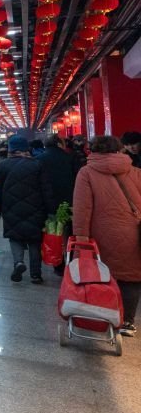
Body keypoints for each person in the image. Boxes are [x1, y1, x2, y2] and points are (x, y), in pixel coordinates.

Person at [72, 135, 141, 336]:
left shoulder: (86, 173)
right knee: (131, 276)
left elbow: (82, 209)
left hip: (101, 233)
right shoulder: (135, 171)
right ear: (119, 150)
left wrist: (81, 238)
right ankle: (127, 322)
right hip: (134, 232)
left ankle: (104, 315)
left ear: (93, 150)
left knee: (101, 275)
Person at [0, 136, 53, 284]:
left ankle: (19, 262)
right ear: (27, 149)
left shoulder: (2, 165)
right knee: (35, 240)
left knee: (15, 237)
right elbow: (46, 189)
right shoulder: (37, 165)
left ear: (11, 149)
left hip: (10, 207)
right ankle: (36, 274)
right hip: (36, 208)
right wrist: (50, 210)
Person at [37, 134, 76, 217]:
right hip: (68, 198)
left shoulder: (38, 159)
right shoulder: (70, 158)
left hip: (45, 198)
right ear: (59, 144)